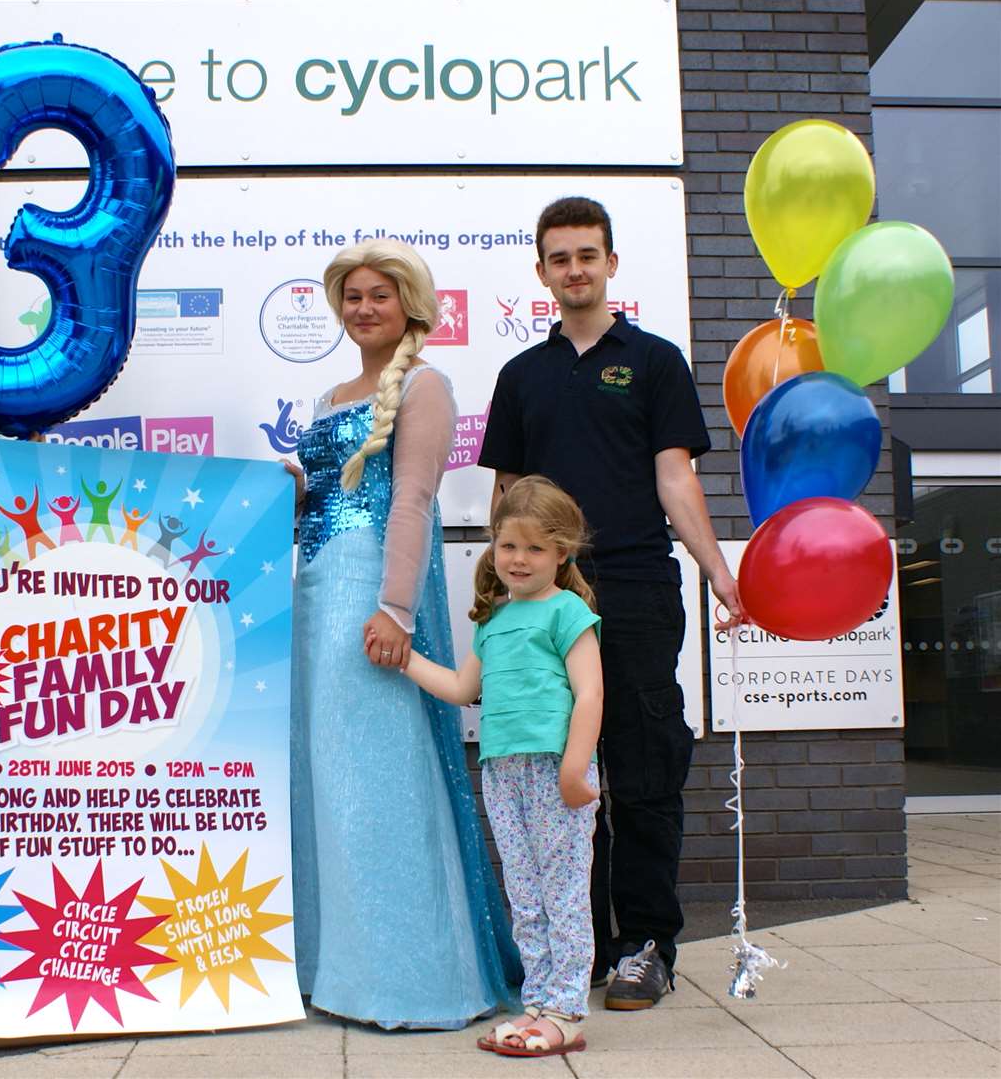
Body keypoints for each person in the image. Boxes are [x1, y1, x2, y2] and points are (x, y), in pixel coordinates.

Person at [478, 197, 743, 1010]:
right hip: (543, 601)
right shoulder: (521, 376)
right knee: (559, 773)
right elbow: (506, 497)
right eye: (558, 258)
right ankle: (577, 946)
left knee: (640, 763)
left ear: (611, 263)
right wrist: (500, 593)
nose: (574, 269)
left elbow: (674, 478)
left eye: (587, 254)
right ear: (541, 273)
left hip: (630, 587)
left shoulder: (655, 362)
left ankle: (646, 944)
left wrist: (718, 572)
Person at [287, 238, 520, 1028]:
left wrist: (392, 610)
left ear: (409, 303)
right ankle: (334, 968)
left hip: (368, 594)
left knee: (376, 772)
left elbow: (413, 499)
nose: (362, 308)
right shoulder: (328, 398)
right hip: (314, 593)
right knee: (325, 773)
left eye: (377, 295)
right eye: (351, 296)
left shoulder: (426, 384)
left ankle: (407, 978)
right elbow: (319, 503)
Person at [398, 476, 601, 1057]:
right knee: (527, 893)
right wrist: (405, 659)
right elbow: (464, 688)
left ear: (561, 554)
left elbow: (590, 695)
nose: (519, 559)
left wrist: (573, 771)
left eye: (536, 548)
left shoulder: (568, 613)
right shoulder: (493, 622)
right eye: (509, 545)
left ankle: (566, 1009)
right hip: (503, 774)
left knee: (562, 893)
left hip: (556, 772)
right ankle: (537, 1001)